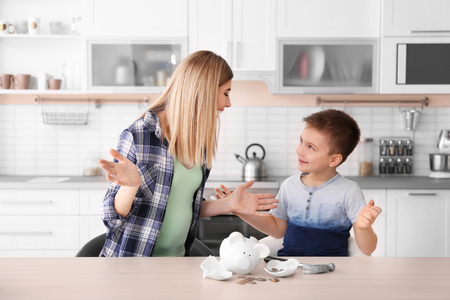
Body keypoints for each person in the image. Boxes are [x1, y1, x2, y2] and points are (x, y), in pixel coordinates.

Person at [98, 50, 278, 257]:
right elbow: (111, 216)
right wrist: (131, 187)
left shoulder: (196, 141)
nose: (228, 103)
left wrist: (228, 204)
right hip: (135, 263)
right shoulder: (139, 135)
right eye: (226, 93)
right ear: (205, 91)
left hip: (177, 263)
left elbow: (184, 205)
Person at [215, 109, 382, 256]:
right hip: (289, 266)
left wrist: (363, 227)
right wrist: (239, 210)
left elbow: (367, 250)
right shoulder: (289, 186)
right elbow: (277, 230)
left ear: (334, 160)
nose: (299, 150)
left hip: (333, 271)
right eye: (301, 140)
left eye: (311, 147)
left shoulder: (348, 191)